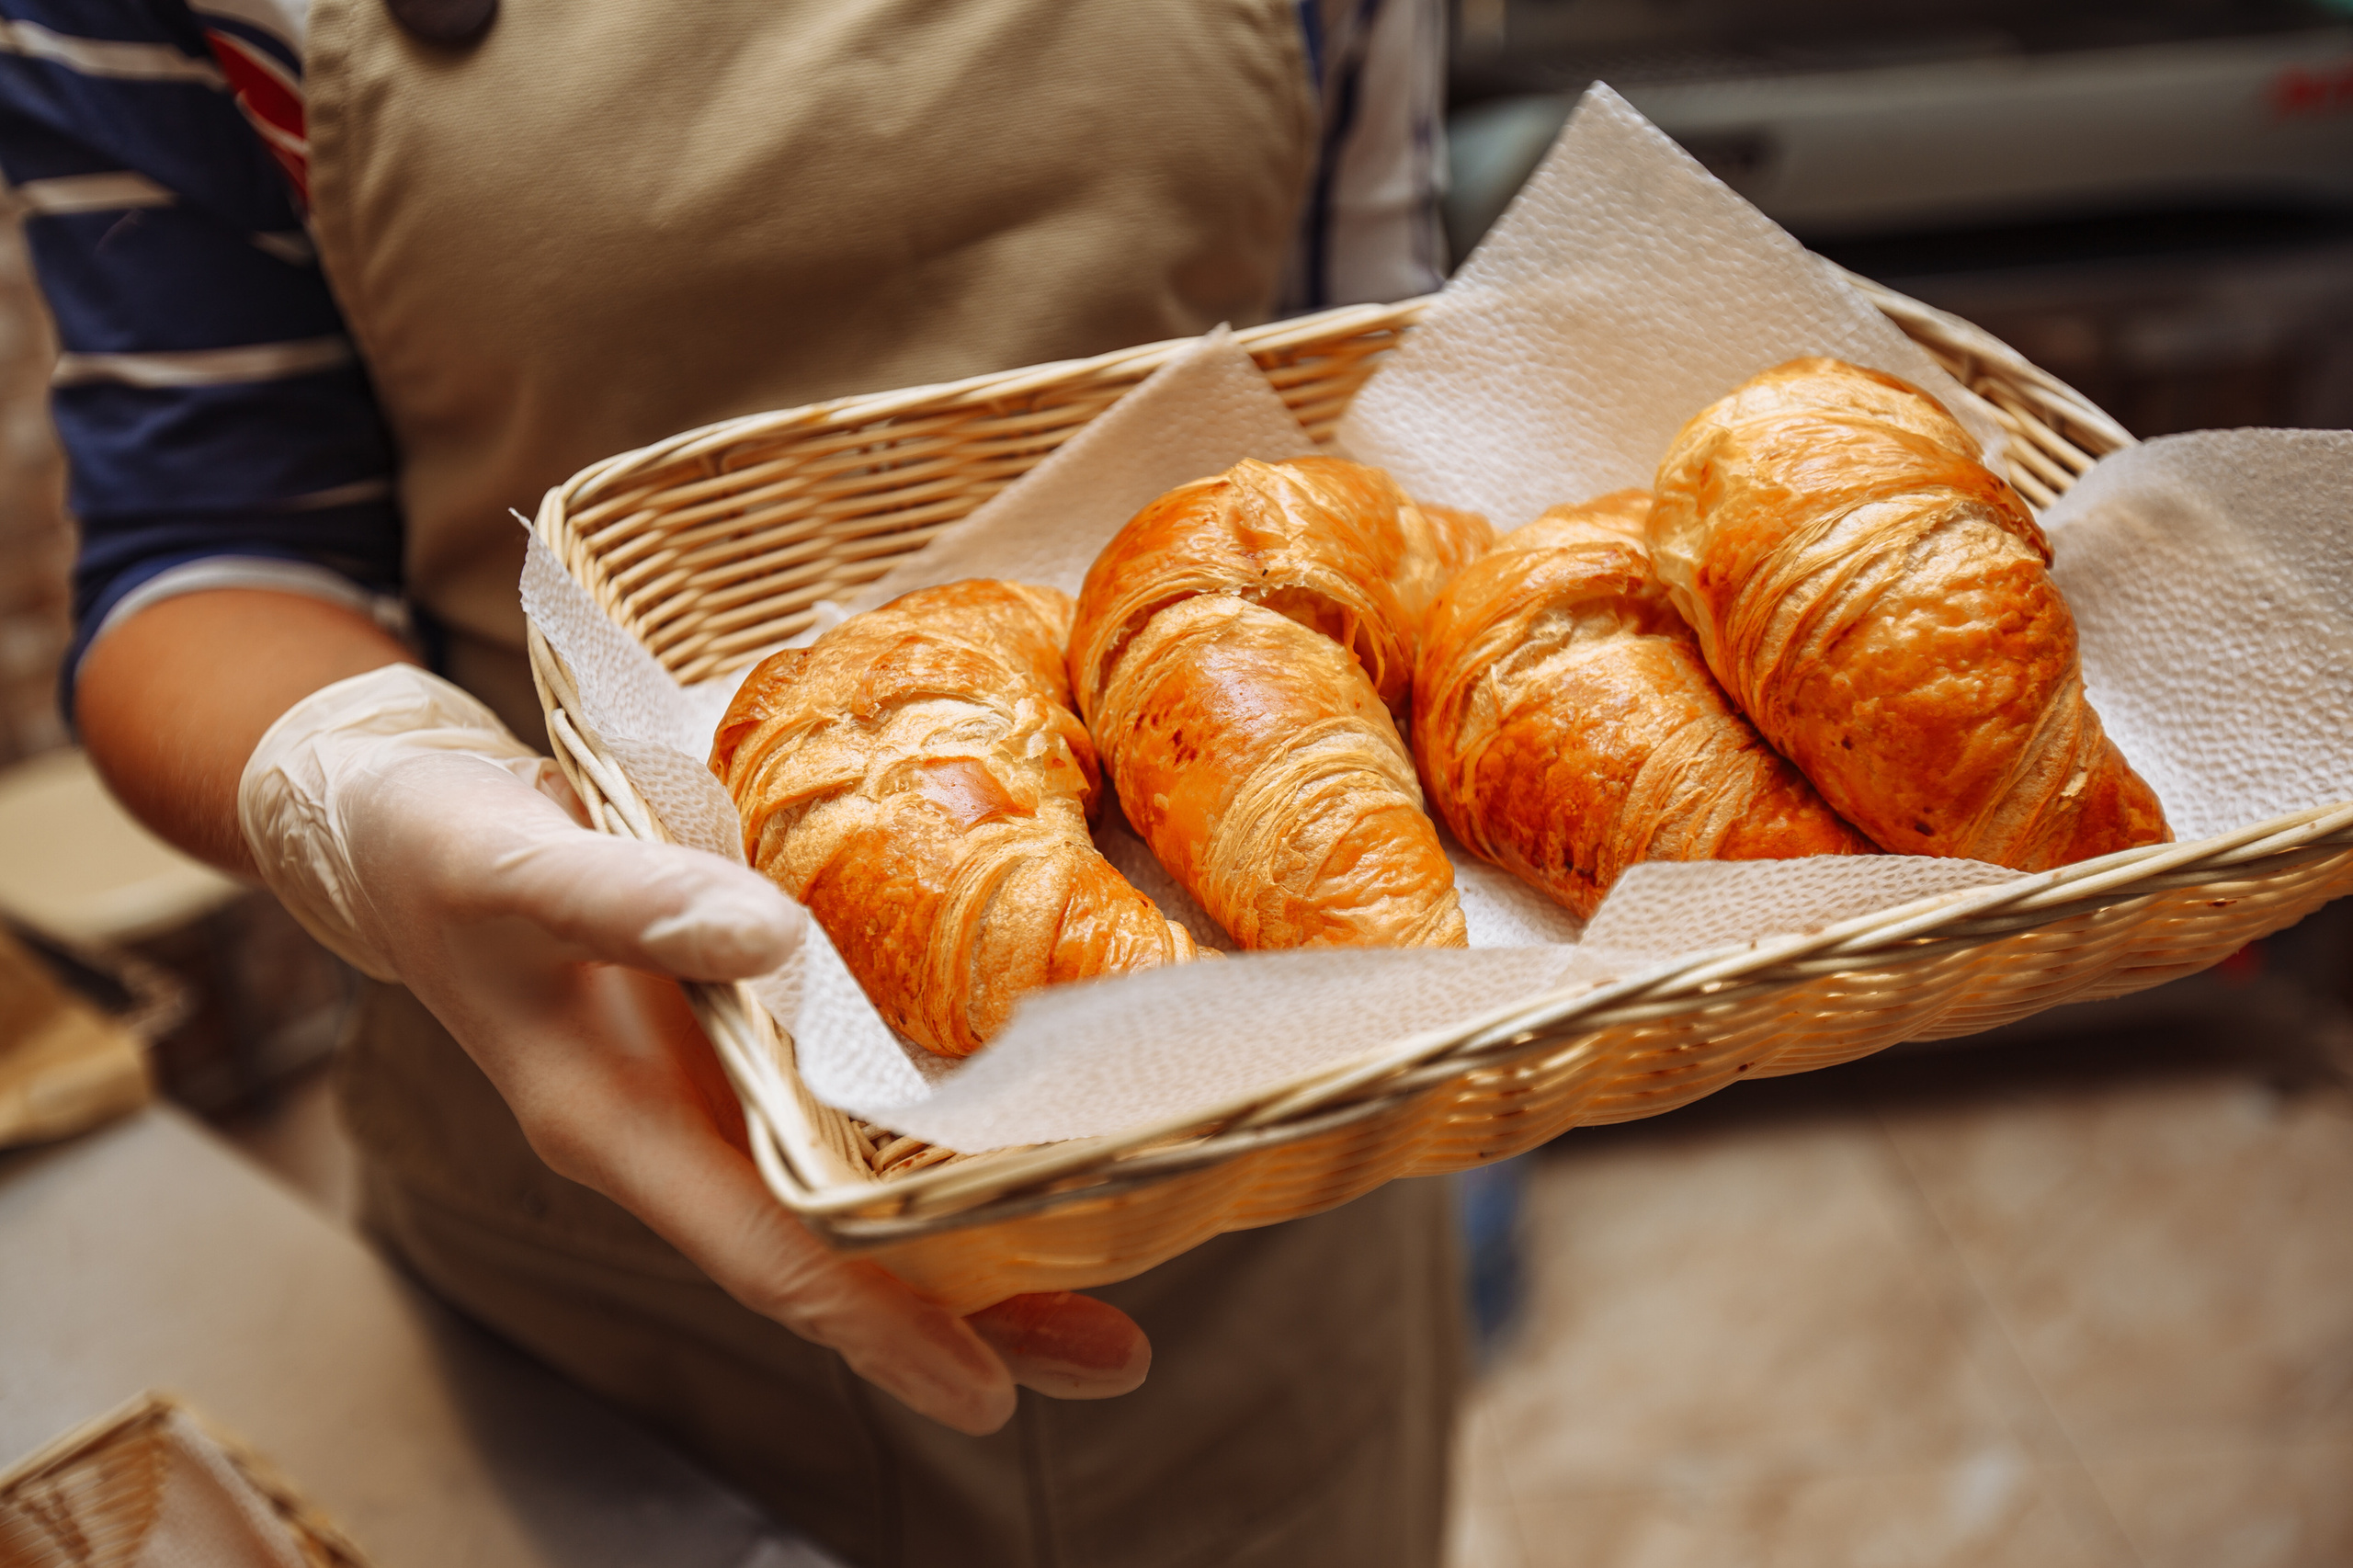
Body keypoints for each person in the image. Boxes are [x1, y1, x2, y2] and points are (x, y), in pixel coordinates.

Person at [4, 1, 1463, 1562]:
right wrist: (366, 797)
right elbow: (205, 550)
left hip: (1282, 1136)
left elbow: (1365, 379)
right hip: (612, 1128)